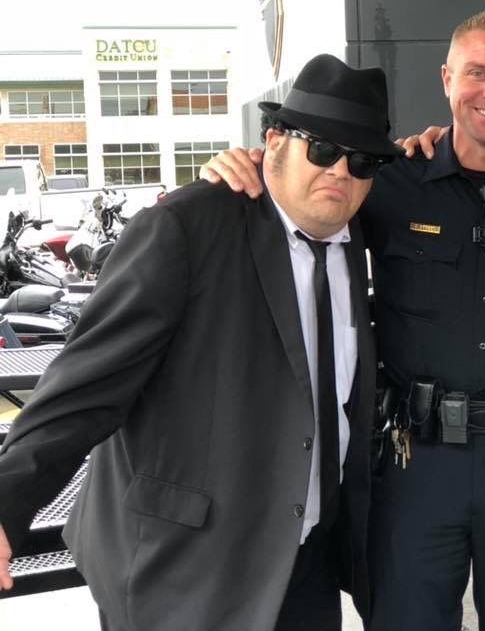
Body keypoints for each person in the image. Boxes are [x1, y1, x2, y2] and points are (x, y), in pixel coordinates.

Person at [201, 10, 485, 631]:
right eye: (477, 72)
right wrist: (244, 165)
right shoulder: (389, 182)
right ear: (447, 79)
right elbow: (301, 194)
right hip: (417, 464)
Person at [0, 54, 399, 631]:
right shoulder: (186, 228)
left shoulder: (352, 234)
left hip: (304, 559)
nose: (340, 170)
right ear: (274, 142)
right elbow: (84, 387)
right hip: (183, 568)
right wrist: (8, 503)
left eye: (362, 160)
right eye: (322, 148)